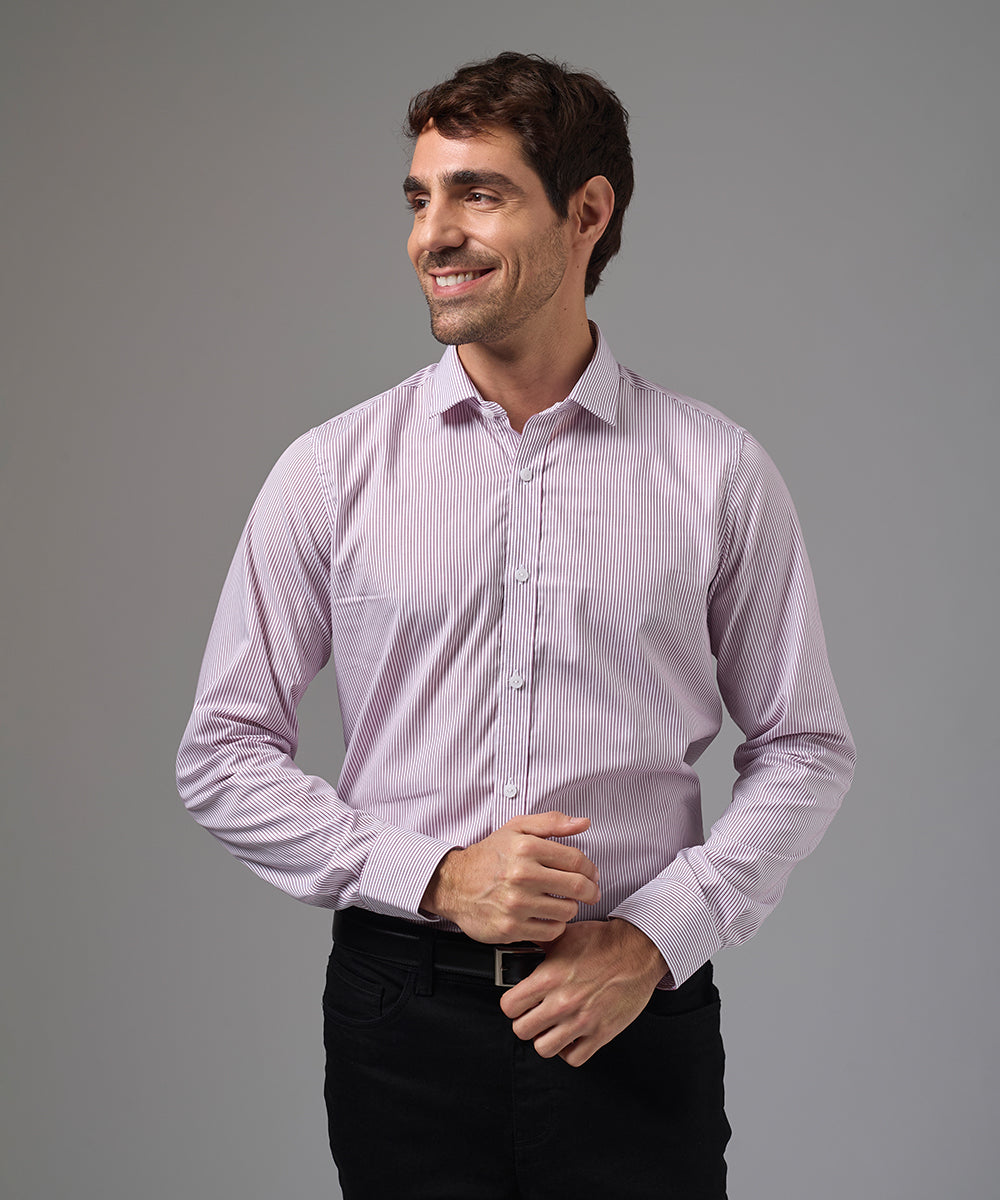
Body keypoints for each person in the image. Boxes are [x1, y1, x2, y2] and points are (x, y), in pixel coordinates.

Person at [177, 51, 855, 1199]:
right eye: (419, 198)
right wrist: (438, 877)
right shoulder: (330, 474)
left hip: (631, 1008)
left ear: (586, 213)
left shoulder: (718, 473)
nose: (431, 235)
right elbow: (222, 753)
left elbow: (805, 748)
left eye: (477, 193)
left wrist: (656, 936)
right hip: (403, 1021)